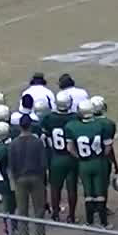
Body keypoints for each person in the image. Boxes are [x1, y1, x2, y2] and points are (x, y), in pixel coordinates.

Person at [66, 99, 115, 228]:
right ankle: (103, 222)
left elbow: (70, 148)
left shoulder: (73, 126)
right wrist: (99, 156)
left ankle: (89, 222)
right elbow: (108, 148)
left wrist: (80, 157)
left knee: (88, 193)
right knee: (100, 192)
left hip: (84, 163)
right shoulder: (103, 125)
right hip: (98, 161)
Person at [9, 115, 48, 235]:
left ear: (20, 126)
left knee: (22, 212)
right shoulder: (37, 142)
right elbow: (43, 164)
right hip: (36, 178)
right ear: (30, 126)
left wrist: (14, 180)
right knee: (39, 211)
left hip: (20, 179)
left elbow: (12, 165)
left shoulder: (13, 143)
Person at [43, 91, 79, 223]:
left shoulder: (49, 118)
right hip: (70, 157)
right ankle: (72, 215)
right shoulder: (74, 118)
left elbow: (46, 136)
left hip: (56, 157)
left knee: (55, 187)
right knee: (71, 187)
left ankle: (56, 214)